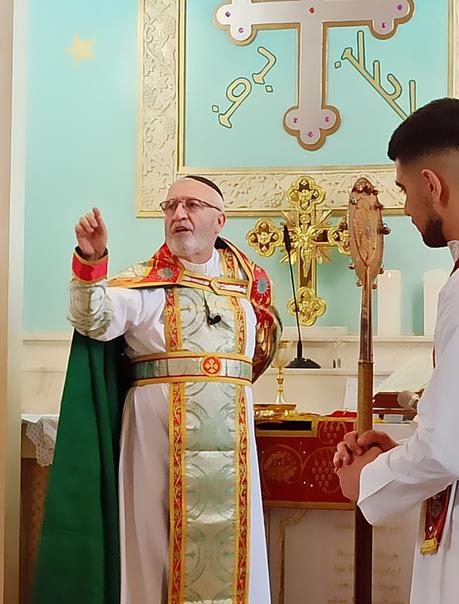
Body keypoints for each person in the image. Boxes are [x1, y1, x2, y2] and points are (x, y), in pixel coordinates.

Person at [32, 175, 280, 604]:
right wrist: (91, 261)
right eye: (170, 207)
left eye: (192, 206)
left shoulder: (248, 289)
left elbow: (258, 353)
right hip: (157, 443)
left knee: (237, 550)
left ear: (219, 219)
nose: (178, 215)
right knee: (152, 550)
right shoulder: (146, 285)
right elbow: (93, 319)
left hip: (231, 445)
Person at [334, 98, 459, 603]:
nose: (407, 210)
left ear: (433, 185)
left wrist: (367, 479)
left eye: (406, 191)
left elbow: (450, 449)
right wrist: (408, 452)